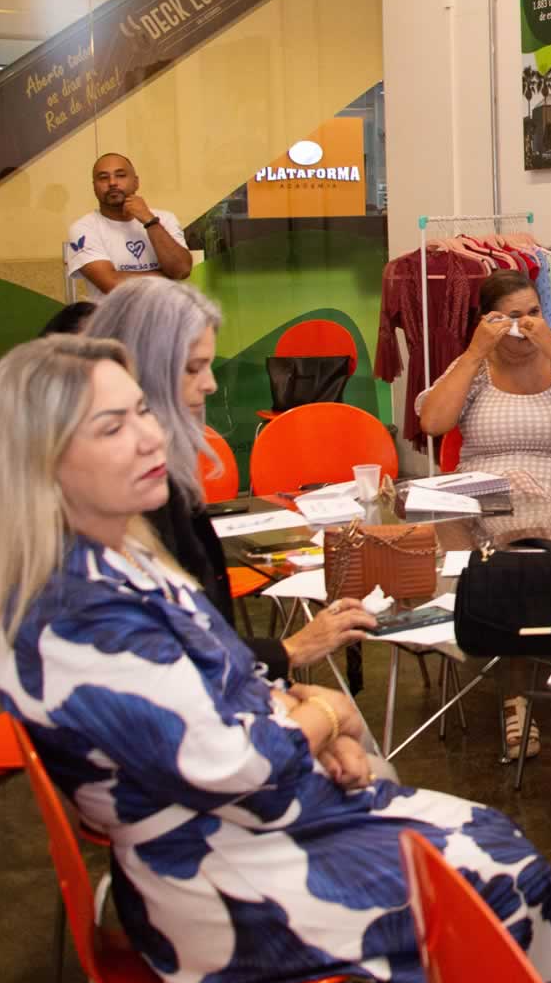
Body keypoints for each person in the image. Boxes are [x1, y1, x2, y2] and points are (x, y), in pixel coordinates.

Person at [0, 337, 551, 983]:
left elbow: (224, 681)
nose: (151, 436)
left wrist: (307, 704)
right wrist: (327, 718)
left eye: (143, 411)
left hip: (249, 830)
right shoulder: (77, 614)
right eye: (113, 427)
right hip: (217, 883)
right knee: (501, 880)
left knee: (496, 845)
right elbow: (234, 761)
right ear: (43, 459)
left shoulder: (116, 562)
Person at [84, 278, 373, 681]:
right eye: (192, 368)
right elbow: (160, 660)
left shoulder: (148, 484)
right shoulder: (120, 504)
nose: (210, 384)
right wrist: (289, 653)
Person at [416, 268, 551, 756]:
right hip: (482, 497)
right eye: (512, 317)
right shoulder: (474, 367)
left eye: (533, 313)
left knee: (532, 544)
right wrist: (474, 353)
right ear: (488, 321)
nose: (524, 326)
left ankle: (528, 681)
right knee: (510, 553)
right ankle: (517, 695)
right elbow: (433, 422)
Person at [64, 152, 192, 299]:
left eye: (120, 175)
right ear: (94, 187)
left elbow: (181, 269)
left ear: (136, 182)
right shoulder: (84, 228)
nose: (112, 182)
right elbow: (111, 284)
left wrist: (149, 221)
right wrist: (168, 278)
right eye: (103, 177)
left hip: (165, 314)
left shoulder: (165, 219)